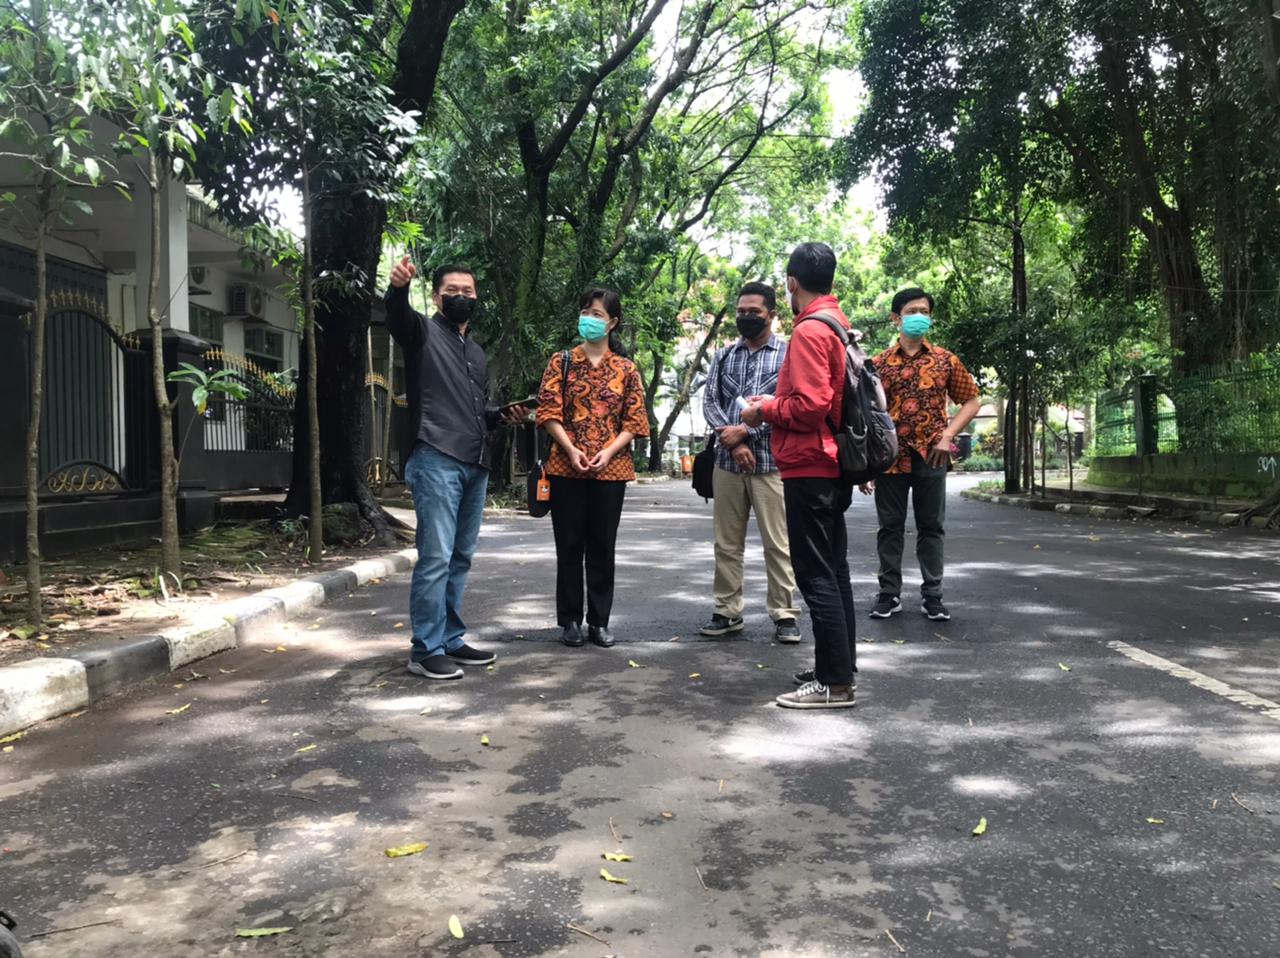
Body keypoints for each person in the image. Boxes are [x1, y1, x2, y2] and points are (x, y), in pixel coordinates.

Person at [385, 257, 527, 680]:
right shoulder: (422, 332)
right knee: (436, 556)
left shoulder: (477, 353)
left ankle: (450, 638)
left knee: (460, 556)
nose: (461, 297)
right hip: (435, 456)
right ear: (435, 296)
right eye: (452, 291)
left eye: (468, 292)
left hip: (474, 461)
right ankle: (425, 648)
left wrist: (501, 416)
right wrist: (396, 289)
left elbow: (477, 411)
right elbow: (397, 316)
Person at [742, 243, 858, 710]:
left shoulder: (810, 331)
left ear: (791, 283)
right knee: (835, 570)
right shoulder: (838, 324)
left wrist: (761, 410)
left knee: (815, 575)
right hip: (829, 461)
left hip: (810, 463)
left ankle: (835, 684)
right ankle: (838, 668)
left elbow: (809, 406)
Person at [536, 288, 649, 649]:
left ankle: (599, 622)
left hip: (611, 470)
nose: (590, 318)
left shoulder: (626, 369)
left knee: (602, 546)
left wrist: (608, 451)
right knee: (568, 546)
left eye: (597, 314)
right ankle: (569, 620)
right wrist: (570, 450)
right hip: (564, 467)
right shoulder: (562, 361)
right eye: (586, 311)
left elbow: (634, 420)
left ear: (612, 322)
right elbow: (548, 411)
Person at [862, 287, 981, 622]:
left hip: (933, 455)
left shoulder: (945, 360)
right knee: (890, 527)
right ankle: (889, 595)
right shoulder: (879, 365)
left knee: (932, 526)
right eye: (912, 311)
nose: (920, 317)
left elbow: (972, 400)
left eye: (925, 311)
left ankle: (933, 595)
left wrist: (948, 435)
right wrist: (867, 466)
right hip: (890, 458)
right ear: (896, 318)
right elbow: (868, 416)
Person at [698, 281, 801, 644]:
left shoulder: (790, 355)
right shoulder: (724, 355)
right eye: (741, 312)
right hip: (727, 463)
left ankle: (785, 614)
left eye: (754, 312)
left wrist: (746, 434)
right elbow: (710, 401)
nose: (746, 317)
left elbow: (789, 405)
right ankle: (727, 612)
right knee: (727, 543)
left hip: (772, 463)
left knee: (779, 543)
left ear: (772, 314)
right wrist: (731, 436)